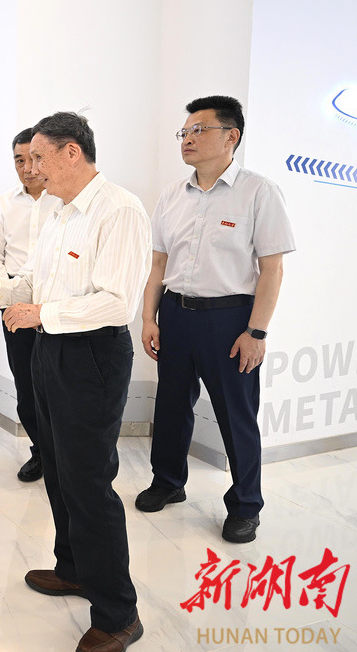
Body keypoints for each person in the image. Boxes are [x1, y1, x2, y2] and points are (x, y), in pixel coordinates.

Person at [0, 113, 151, 652]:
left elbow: (116, 303)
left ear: (72, 153)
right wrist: (0, 287)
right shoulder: (59, 211)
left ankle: (118, 614)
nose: (33, 169)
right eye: (27, 160)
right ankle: (72, 568)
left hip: (91, 356)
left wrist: (41, 314)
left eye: (40, 157)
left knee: (88, 483)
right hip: (50, 349)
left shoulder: (120, 210)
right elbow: (37, 279)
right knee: (58, 470)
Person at [136, 96, 295, 544]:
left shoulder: (259, 192)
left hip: (229, 320)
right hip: (175, 313)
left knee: (235, 413)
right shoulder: (172, 195)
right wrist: (148, 317)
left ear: (231, 136)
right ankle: (168, 481)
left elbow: (272, 270)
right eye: (184, 131)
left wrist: (256, 332)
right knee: (170, 405)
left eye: (199, 130)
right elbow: (158, 264)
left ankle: (245, 505)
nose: (187, 139)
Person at [0, 127, 60, 482]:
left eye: (34, 158)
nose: (27, 168)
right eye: (19, 160)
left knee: (58, 383)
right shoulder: (4, 203)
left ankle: (62, 454)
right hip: (14, 302)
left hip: (56, 305)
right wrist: (9, 295)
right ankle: (40, 451)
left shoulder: (63, 201)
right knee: (26, 385)